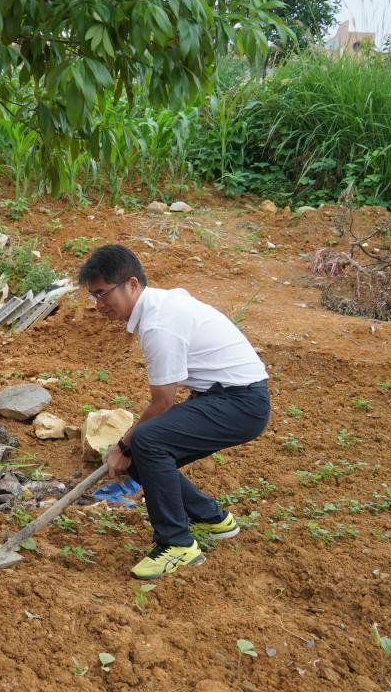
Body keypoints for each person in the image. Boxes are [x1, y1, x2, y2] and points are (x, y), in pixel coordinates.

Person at [78, 244, 270, 580]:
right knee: (142, 451)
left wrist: (123, 445)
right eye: (93, 296)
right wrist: (127, 449)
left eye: (103, 294)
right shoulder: (160, 306)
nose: (99, 305)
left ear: (132, 284)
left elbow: (163, 402)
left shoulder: (158, 325)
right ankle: (212, 518)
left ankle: (177, 543)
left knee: (147, 442)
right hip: (220, 397)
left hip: (240, 403)